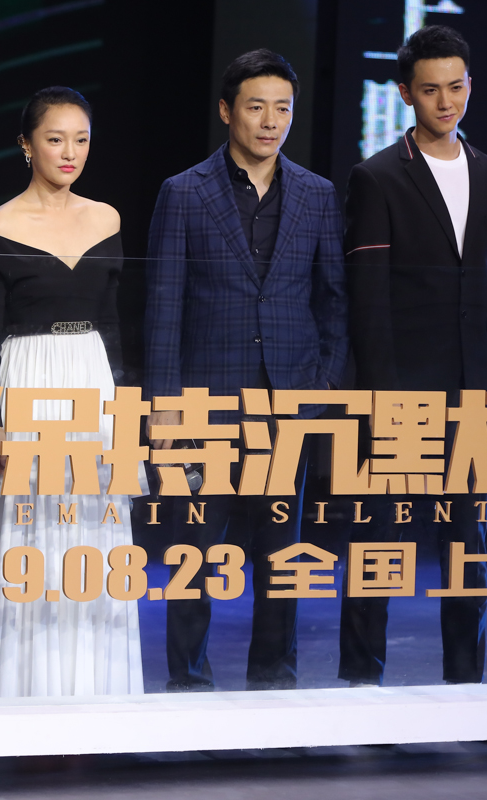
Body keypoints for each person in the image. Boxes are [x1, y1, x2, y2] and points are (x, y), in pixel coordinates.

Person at [144, 49, 348, 691]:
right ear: (227, 110)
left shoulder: (317, 194)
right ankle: (188, 683)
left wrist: (322, 388)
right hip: (205, 404)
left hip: (288, 404)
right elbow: (164, 304)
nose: (270, 121)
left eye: (282, 109)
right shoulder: (184, 192)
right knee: (195, 552)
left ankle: (275, 681)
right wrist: (164, 406)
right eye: (256, 107)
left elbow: (333, 300)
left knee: (282, 555)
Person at [0, 87, 144, 698]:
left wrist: (125, 413)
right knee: (26, 527)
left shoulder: (106, 218)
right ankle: (20, 689)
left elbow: (113, 326)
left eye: (81, 140)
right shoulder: (0, 225)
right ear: (26, 145)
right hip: (28, 379)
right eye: (56, 139)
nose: (70, 152)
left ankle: (90, 689)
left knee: (91, 529)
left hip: (92, 380)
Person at [340, 25, 487, 686]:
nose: (445, 102)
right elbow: (367, 301)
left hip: (473, 391)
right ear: (405, 94)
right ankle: (361, 685)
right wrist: (379, 399)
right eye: (430, 90)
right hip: (401, 394)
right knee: (380, 545)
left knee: (467, 548)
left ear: (470, 85)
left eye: (455, 87)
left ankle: (465, 684)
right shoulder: (376, 177)